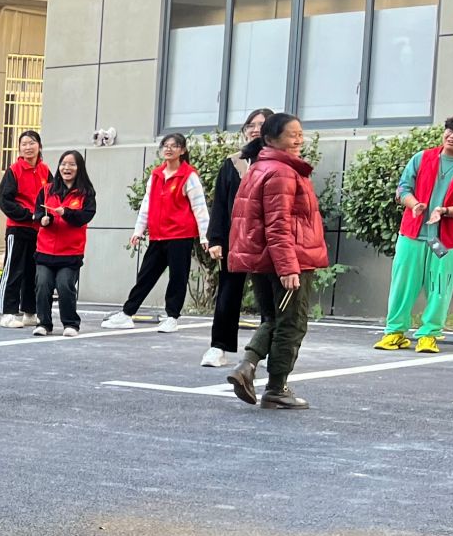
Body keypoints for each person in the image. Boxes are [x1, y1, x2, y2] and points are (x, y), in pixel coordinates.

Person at [225, 112, 327, 410]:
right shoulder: (282, 171)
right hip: (287, 259)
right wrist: (288, 267)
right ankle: (275, 388)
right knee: (291, 323)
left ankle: (247, 366)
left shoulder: (261, 167)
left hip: (264, 260)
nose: (299, 139)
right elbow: (278, 225)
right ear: (271, 139)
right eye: (292, 135)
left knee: (273, 320)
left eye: (300, 133)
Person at [103, 133, 212, 332]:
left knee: (177, 278)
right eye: (165, 145)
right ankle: (127, 314)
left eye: (174, 146)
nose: (169, 149)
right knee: (146, 275)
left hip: (180, 236)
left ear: (182, 150)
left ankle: (172, 317)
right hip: (158, 235)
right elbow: (147, 204)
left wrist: (205, 236)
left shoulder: (188, 175)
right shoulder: (156, 175)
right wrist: (138, 230)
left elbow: (199, 207)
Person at [374, 115, 453, 354]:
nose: (452, 136)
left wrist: (444, 211)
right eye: (449, 130)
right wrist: (414, 204)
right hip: (412, 234)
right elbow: (402, 189)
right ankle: (394, 332)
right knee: (403, 284)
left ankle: (429, 335)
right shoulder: (422, 158)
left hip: (447, 240)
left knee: (440, 287)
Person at [203, 108, 273, 367]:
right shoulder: (233, 163)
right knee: (228, 292)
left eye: (261, 124)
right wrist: (216, 239)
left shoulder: (281, 163)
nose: (255, 129)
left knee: (269, 296)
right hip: (237, 239)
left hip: (269, 240)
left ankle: (267, 349)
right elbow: (220, 203)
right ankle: (218, 347)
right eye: (250, 125)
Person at [32, 149, 96, 337]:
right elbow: (38, 213)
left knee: (65, 285)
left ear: (79, 168)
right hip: (45, 249)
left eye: (72, 164)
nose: (66, 168)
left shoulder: (86, 193)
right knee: (42, 285)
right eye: (63, 164)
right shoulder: (46, 190)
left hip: (70, 251)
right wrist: (43, 220)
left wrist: (66, 213)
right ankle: (43, 323)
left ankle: (71, 324)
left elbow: (85, 217)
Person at [0, 129, 49, 327]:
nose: (28, 147)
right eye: (24, 144)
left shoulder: (45, 171)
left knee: (32, 271)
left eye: (32, 143)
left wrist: (46, 216)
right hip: (17, 228)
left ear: (39, 146)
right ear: (19, 148)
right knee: (13, 270)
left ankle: (30, 311)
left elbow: (52, 196)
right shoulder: (14, 170)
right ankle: (7, 313)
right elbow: (4, 201)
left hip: (37, 230)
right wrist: (28, 215)